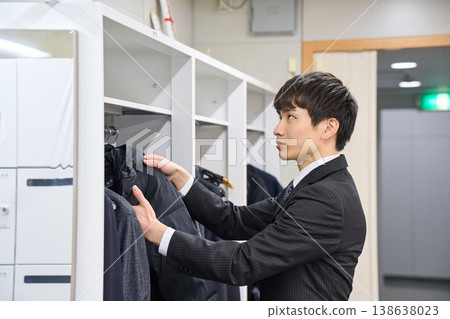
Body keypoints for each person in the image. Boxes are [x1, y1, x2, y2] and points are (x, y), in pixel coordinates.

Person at [132, 71, 367, 301]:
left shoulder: (325, 197)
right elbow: (234, 221)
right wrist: (182, 181)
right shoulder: (314, 185)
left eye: (290, 117)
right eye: (280, 117)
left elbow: (242, 264)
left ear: (328, 128)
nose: (277, 129)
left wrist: (158, 233)